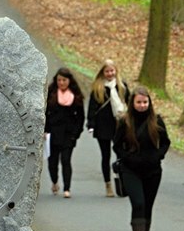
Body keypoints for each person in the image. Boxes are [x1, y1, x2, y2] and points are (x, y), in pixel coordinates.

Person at [113, 86, 170, 231]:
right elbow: (116, 145)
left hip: (152, 171)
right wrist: (128, 158)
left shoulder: (157, 121)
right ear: (133, 103)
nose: (142, 105)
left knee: (148, 207)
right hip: (131, 170)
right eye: (139, 102)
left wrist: (157, 156)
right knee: (138, 203)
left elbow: (166, 143)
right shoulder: (125, 121)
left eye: (145, 102)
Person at [87, 59, 130, 197]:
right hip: (103, 126)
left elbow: (129, 103)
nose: (110, 73)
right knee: (105, 156)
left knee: (121, 155)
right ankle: (108, 185)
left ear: (116, 71)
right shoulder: (98, 88)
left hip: (119, 125)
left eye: (112, 70)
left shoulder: (122, 86)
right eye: (107, 71)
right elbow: (92, 107)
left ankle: (122, 183)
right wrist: (91, 124)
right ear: (103, 72)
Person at [44, 67, 85, 198]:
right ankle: (54, 181)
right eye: (59, 80)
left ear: (69, 81)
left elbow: (80, 117)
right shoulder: (50, 94)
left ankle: (67, 188)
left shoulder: (76, 96)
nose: (61, 83)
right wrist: (45, 130)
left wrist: (76, 134)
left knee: (66, 160)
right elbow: (44, 114)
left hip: (69, 134)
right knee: (52, 162)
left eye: (64, 80)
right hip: (52, 134)